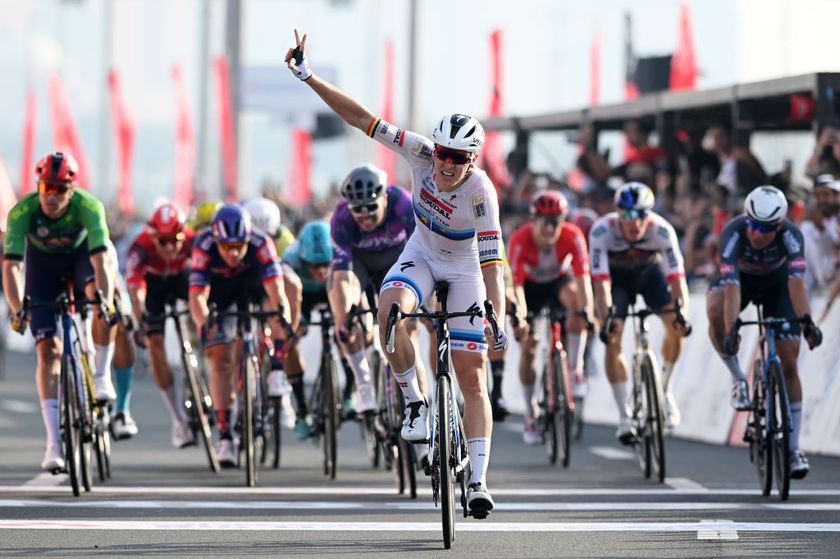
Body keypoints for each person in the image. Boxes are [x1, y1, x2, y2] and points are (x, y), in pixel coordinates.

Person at [286, 30, 505, 515]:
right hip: (422, 255)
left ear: (474, 159)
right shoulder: (420, 152)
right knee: (387, 312)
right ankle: (415, 402)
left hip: (466, 267)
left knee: (472, 378)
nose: (447, 165)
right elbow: (363, 118)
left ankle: (479, 481)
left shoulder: (482, 194)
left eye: (459, 158)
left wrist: (498, 315)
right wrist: (308, 77)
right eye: (444, 154)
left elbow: (493, 263)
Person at [3, 152, 118, 472]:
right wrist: (16, 310)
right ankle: (54, 442)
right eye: (46, 188)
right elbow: (11, 268)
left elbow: (101, 261)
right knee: (47, 351)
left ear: (71, 190)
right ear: (38, 186)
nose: (51, 196)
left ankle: (100, 374)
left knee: (102, 299)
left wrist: (105, 301)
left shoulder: (89, 206)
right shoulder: (22, 212)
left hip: (81, 259)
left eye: (59, 190)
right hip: (42, 269)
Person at [707, 186, 822, 479]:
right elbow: (731, 287)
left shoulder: (792, 236)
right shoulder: (733, 233)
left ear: (780, 225)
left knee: (790, 364)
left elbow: (797, 284)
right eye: (754, 225)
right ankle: (737, 378)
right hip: (742, 282)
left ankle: (794, 450)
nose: (758, 234)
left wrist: (807, 322)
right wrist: (732, 330)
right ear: (746, 218)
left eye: (767, 228)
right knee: (716, 309)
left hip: (777, 285)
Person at [188, 204, 291, 467]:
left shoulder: (261, 243)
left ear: (248, 239)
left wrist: (281, 316)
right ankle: (224, 436)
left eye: (239, 246)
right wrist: (204, 324)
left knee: (276, 307)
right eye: (226, 247)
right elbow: (197, 297)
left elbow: (276, 290)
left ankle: (275, 366)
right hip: (220, 292)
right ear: (217, 241)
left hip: (254, 284)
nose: (233, 252)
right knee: (219, 356)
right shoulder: (204, 245)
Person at [328, 164, 429, 424]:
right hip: (359, 263)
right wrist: (344, 318)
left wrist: (426, 303)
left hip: (396, 260)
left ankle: (424, 414)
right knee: (345, 317)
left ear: (384, 198)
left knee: (410, 332)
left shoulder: (403, 204)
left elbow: (423, 257)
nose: (365, 216)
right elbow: (342, 276)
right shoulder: (340, 219)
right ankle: (363, 386)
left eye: (371, 208)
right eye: (358, 211)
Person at [589, 182, 690, 441]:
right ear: (618, 213)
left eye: (642, 214)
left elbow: (678, 280)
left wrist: (683, 314)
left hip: (649, 276)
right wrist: (606, 319)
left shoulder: (662, 231)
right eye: (629, 214)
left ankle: (663, 391)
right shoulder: (602, 231)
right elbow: (601, 285)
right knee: (613, 337)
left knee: (676, 326)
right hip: (617, 282)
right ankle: (624, 417)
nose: (635, 222)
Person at [507, 191, 592, 445]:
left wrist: (587, 310)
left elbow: (583, 279)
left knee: (576, 303)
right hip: (530, 289)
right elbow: (516, 287)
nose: (550, 227)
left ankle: (575, 369)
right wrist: (521, 315)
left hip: (558, 283)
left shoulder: (573, 236)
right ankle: (530, 411)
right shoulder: (520, 240)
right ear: (533, 220)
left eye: (556, 220)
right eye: (544, 221)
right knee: (529, 348)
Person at [126, 202, 196, 448]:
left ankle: (200, 364)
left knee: (200, 313)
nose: (169, 247)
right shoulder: (140, 247)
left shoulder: (192, 240)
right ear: (153, 236)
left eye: (174, 240)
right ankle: (178, 418)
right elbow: (135, 292)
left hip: (181, 278)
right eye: (162, 241)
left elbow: (204, 278)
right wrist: (141, 320)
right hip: (153, 285)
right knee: (155, 344)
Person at [280, 221, 335, 440]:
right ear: (302, 259)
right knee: (290, 341)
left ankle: (351, 392)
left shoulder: (339, 252)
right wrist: (293, 325)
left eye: (325, 264)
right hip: (301, 298)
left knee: (347, 332)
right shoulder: (290, 257)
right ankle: (302, 409)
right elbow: (287, 296)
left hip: (331, 293)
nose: (320, 271)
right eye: (313, 266)